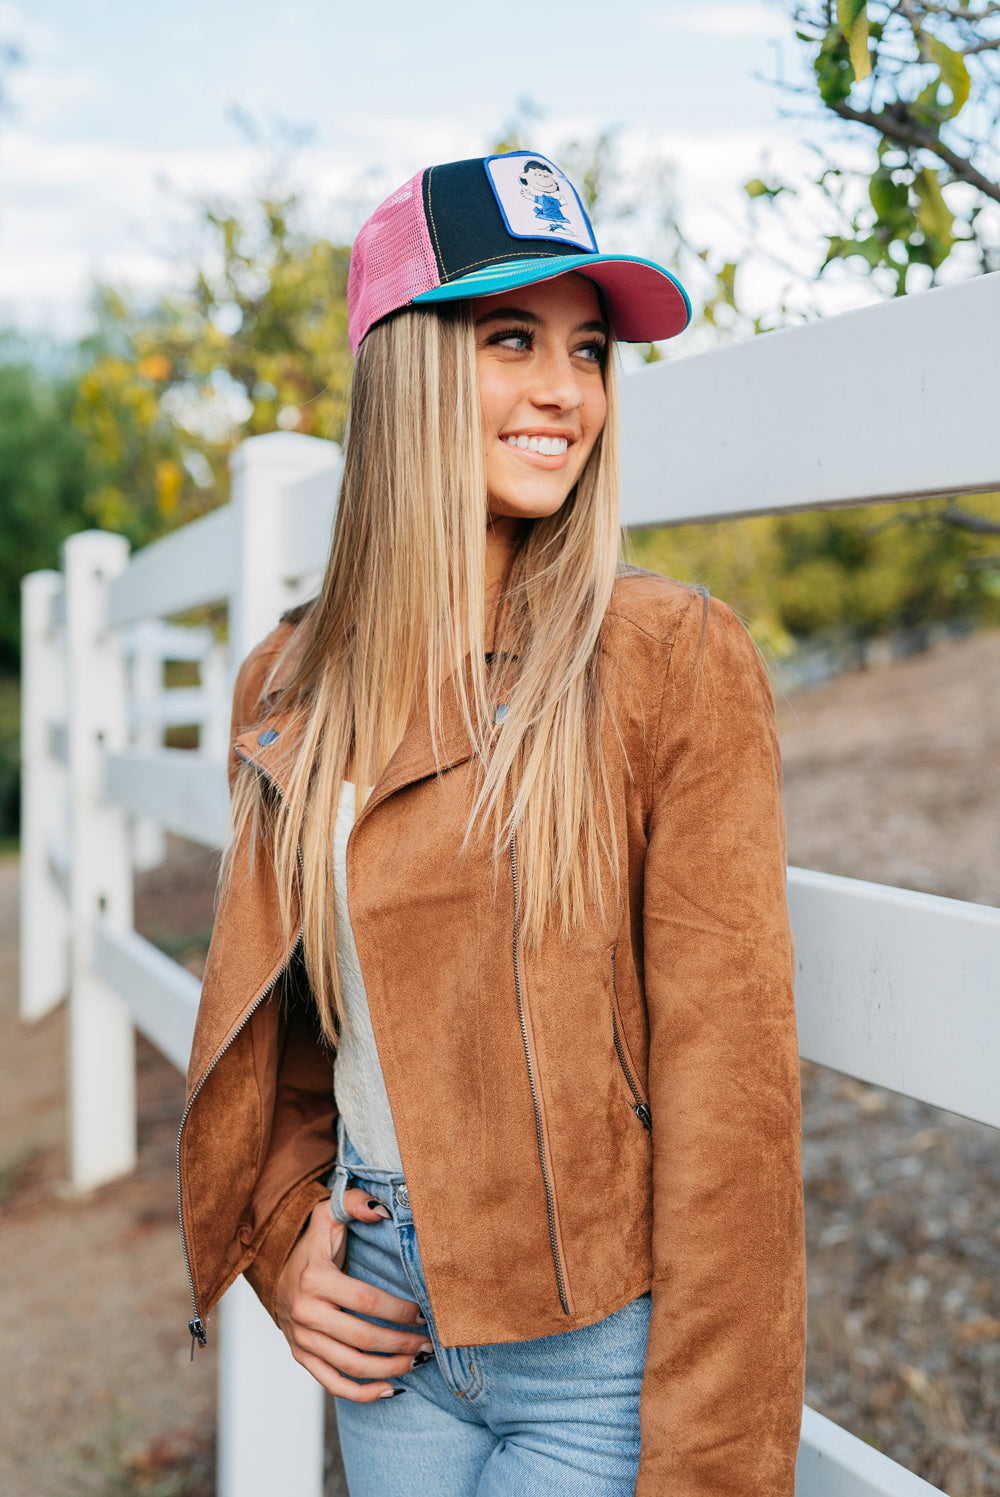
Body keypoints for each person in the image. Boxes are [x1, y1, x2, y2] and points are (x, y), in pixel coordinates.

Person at [177, 149, 806, 1497]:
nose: (565, 392)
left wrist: (706, 1467)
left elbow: (732, 1111)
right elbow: (287, 1029)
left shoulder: (668, 659)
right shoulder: (288, 686)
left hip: (598, 1348)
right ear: (403, 366)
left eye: (587, 352)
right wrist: (290, 1241)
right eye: (512, 337)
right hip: (386, 1325)